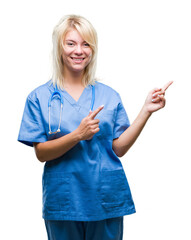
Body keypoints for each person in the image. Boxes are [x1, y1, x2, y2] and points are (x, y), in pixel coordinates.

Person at [18, 14, 173, 240]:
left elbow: (118, 148)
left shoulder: (108, 95)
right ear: (59, 47)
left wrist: (146, 111)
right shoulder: (39, 97)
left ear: (93, 49)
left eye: (86, 44)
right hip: (64, 200)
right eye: (70, 43)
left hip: (105, 197)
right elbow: (41, 153)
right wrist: (77, 135)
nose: (79, 50)